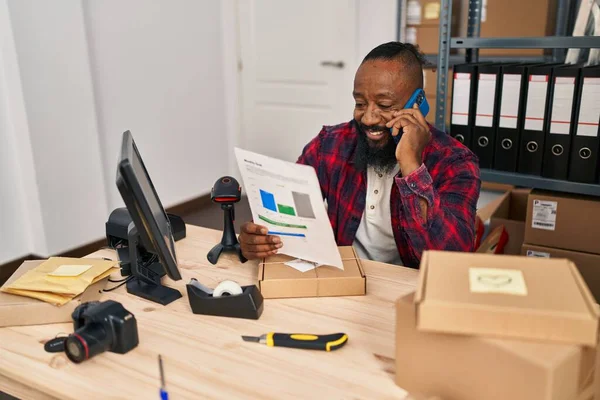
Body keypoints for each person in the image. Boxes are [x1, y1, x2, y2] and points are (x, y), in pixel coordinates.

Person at [239, 42, 481, 268]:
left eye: (385, 106)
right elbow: (284, 213)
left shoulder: (454, 162)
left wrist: (411, 165)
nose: (368, 118)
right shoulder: (330, 144)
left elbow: (451, 262)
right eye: (360, 103)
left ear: (417, 104)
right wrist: (260, 238)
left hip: (409, 291)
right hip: (345, 277)